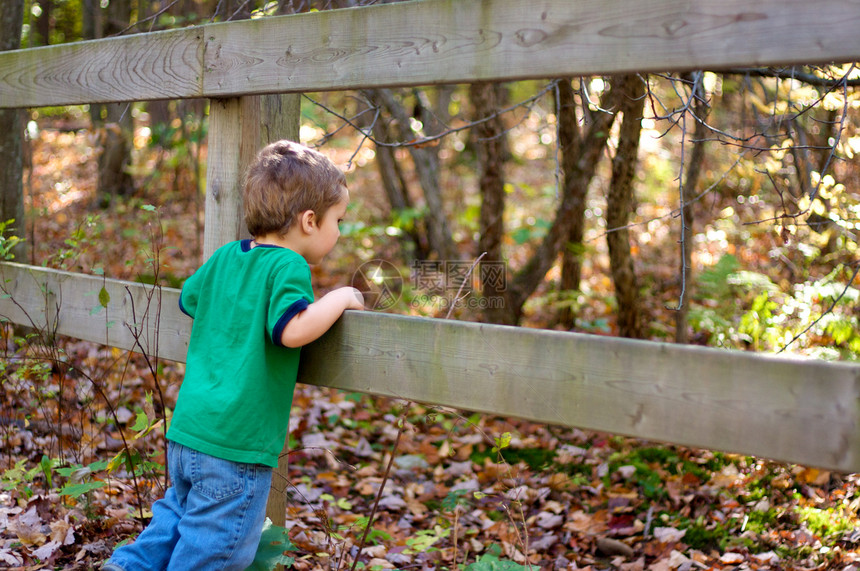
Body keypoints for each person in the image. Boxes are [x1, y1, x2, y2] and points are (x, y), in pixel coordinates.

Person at [104, 140, 364, 571]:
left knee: (173, 523)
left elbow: (189, 298)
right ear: (310, 220)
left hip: (191, 430)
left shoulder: (227, 256)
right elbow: (291, 330)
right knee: (211, 551)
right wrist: (338, 299)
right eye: (338, 220)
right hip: (235, 444)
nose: (339, 231)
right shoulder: (289, 266)